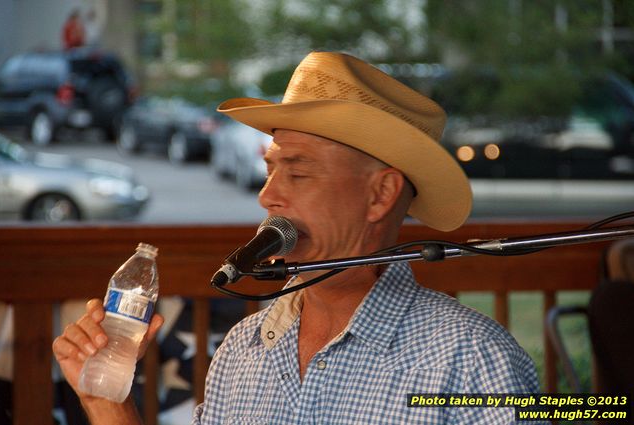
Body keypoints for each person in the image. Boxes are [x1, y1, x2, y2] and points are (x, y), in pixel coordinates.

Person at [53, 51, 542, 424]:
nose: (268, 196)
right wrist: (105, 402)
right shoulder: (242, 350)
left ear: (381, 194)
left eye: (298, 172)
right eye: (270, 169)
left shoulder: (472, 360)